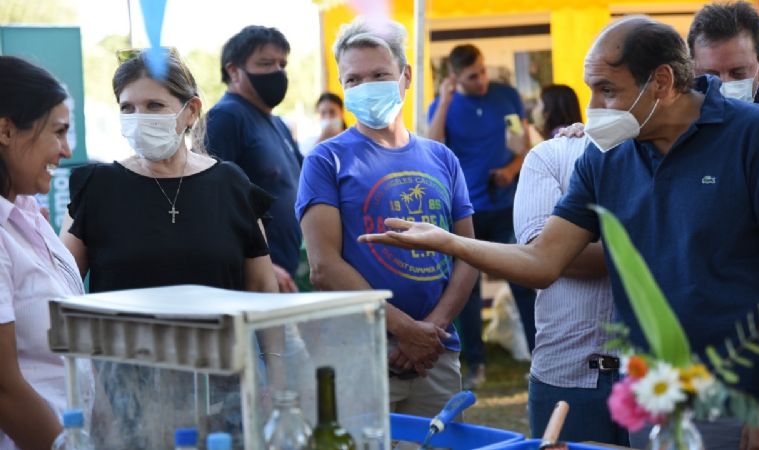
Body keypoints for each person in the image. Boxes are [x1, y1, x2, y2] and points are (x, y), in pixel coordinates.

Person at [361, 17, 759, 450]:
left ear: (662, 83)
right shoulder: (603, 158)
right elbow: (541, 261)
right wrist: (449, 242)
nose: (593, 107)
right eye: (591, 88)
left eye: (608, 89)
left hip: (751, 402)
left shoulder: (756, 135)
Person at [58, 49, 280, 448]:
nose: (139, 117)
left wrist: (276, 382)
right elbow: (61, 290)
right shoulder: (97, 187)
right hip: (126, 394)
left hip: (224, 391)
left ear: (191, 110)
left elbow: (264, 292)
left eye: (154, 105)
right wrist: (95, 392)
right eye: (128, 107)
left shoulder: (232, 186)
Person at [296, 17, 477, 419]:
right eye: (353, 80)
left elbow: (468, 253)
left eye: (379, 74)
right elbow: (324, 266)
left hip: (436, 354)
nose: (366, 87)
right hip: (360, 352)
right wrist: (405, 330)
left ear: (406, 76)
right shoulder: (326, 160)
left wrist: (432, 330)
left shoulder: (442, 158)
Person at [427, 44, 536, 387]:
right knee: (466, 289)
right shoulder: (444, 105)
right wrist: (444, 101)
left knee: (524, 280)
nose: (482, 80)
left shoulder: (506, 97)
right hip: (465, 212)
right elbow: (432, 146)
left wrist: (509, 169)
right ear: (455, 78)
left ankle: (539, 357)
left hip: (506, 205)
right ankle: (476, 362)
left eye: (484, 70)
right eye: (473, 76)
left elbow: (522, 145)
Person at [514, 135, 626, 446]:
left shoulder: (680, 156)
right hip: (567, 371)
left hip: (653, 375)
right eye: (599, 87)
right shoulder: (552, 155)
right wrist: (653, 243)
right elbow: (541, 255)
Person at [0, 56, 88, 449]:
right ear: (6, 130)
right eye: (58, 132)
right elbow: (4, 389)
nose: (66, 150)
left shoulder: (28, 217)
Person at [206, 26, 303, 293]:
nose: (277, 72)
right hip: (251, 282)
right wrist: (261, 264)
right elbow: (210, 199)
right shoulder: (227, 118)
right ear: (233, 71)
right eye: (265, 63)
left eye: (282, 64)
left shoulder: (277, 123)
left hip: (283, 276)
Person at [688, 1, 759, 143]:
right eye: (711, 76)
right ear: (692, 66)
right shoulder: (675, 127)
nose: (725, 85)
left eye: (738, 73)